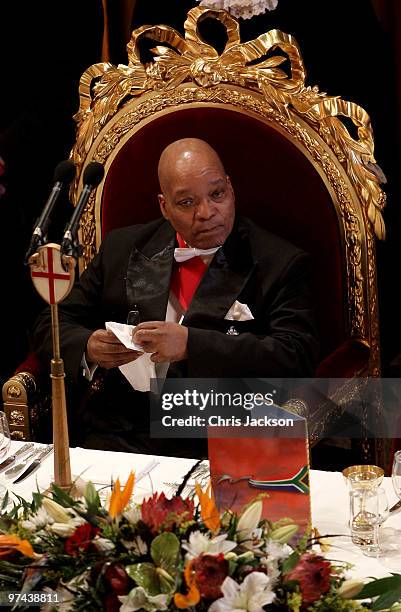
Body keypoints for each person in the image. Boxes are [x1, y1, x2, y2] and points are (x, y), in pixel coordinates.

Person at [33, 138, 319, 457]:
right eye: (186, 202)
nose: (207, 212)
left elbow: (296, 357)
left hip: (225, 438)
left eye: (217, 194)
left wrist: (191, 345)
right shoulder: (122, 247)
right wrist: (89, 346)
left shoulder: (280, 262)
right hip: (119, 435)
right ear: (164, 207)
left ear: (231, 189)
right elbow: (52, 324)